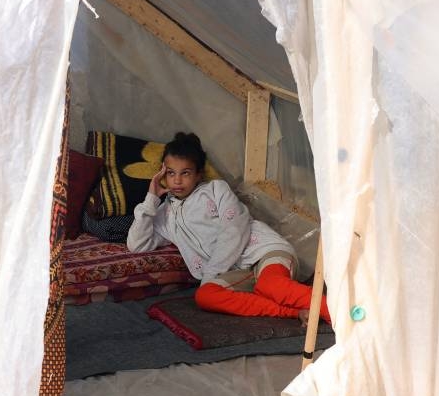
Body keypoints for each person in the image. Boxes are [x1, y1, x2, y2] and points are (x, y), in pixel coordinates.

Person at [126, 132, 329, 322]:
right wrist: (151, 199)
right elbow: (137, 244)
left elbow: (235, 229)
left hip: (265, 252)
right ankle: (295, 313)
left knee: (270, 285)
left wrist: (210, 275)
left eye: (185, 173)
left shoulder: (216, 190)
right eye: (171, 173)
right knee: (205, 296)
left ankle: (345, 313)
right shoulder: (164, 215)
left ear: (198, 174)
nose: (177, 180)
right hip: (238, 273)